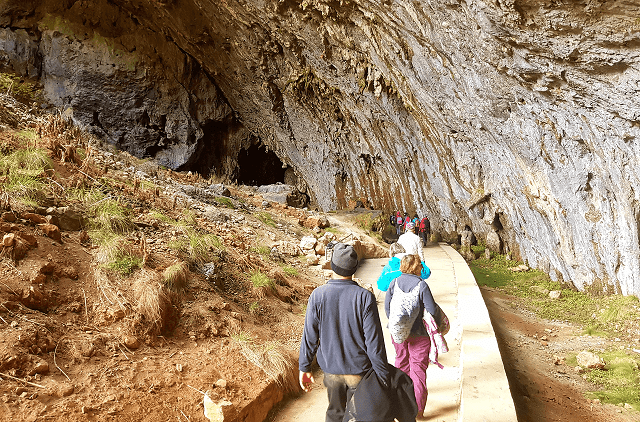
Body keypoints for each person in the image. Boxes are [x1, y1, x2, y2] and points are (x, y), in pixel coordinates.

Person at [299, 243, 390, 422]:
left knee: (335, 413)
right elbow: (374, 342)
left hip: (331, 370)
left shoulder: (318, 295)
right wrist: (383, 375)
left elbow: (310, 336)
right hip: (359, 371)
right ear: (354, 268)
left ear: (332, 266)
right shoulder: (364, 297)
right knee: (358, 415)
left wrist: (304, 367)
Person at [385, 254, 438, 418]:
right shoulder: (422, 285)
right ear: (416, 268)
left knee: (401, 366)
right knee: (418, 372)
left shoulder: (393, 283)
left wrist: (400, 325)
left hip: (398, 334)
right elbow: (433, 310)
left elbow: (388, 309)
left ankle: (400, 406)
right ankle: (418, 411)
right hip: (419, 334)